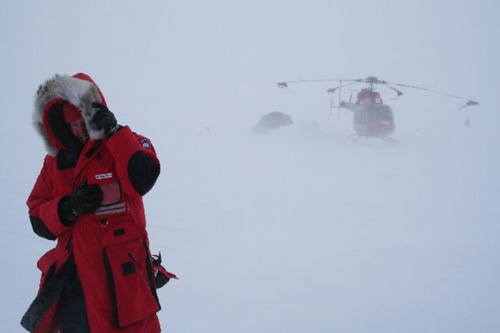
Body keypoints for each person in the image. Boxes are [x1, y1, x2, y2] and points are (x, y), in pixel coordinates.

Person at [21, 73, 176, 333]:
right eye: (71, 125)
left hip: (123, 283)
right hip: (75, 286)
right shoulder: (55, 164)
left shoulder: (129, 142)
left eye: (82, 121)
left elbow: (142, 180)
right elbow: (37, 217)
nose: (79, 130)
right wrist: (67, 207)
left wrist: (115, 134)